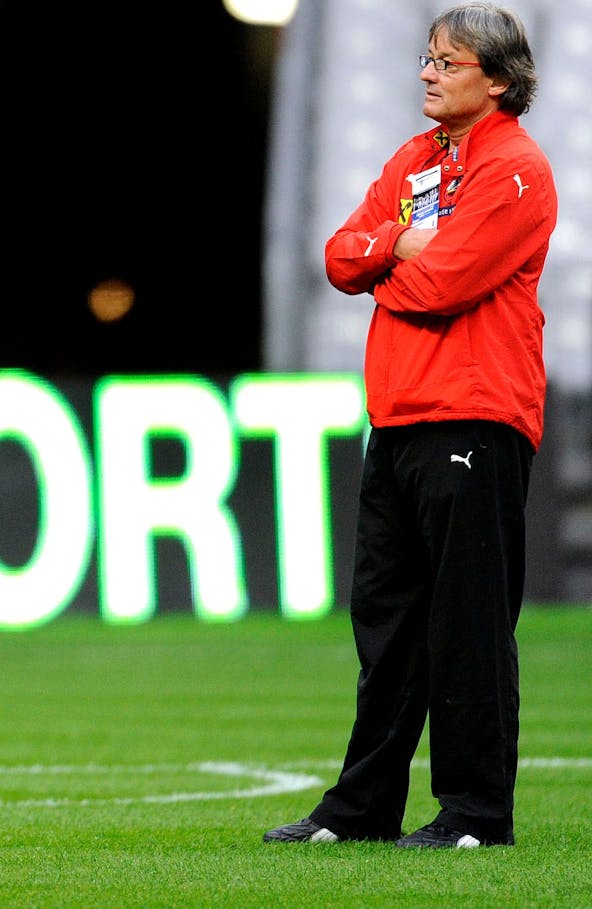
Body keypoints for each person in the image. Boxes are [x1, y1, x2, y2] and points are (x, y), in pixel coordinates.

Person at [263, 2, 554, 850]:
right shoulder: (413, 161)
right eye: (427, 58)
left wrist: (385, 261)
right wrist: (399, 242)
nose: (427, 73)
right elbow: (336, 256)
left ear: (497, 81)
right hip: (396, 416)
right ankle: (360, 811)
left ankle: (474, 815)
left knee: (467, 623)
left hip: (477, 413)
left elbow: (439, 287)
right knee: (386, 624)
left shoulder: (518, 171)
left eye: (448, 62)